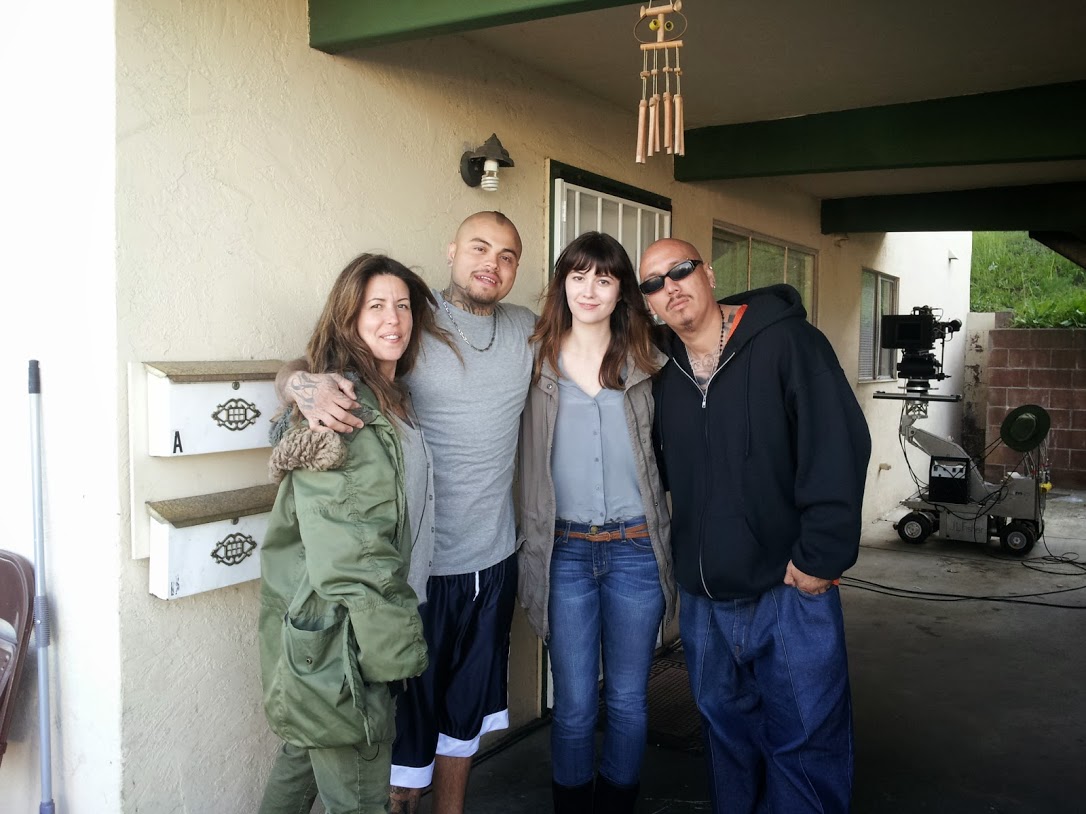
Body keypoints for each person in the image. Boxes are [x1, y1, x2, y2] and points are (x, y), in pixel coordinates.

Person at [275, 212, 536, 814]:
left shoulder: (527, 328)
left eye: (506, 255)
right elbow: (312, 365)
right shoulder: (411, 325)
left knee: (461, 729)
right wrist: (297, 386)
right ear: (451, 251)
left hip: (493, 562)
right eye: (478, 247)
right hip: (416, 575)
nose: (490, 263)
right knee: (401, 745)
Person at [639, 239, 871, 814]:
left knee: (806, 742)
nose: (670, 287)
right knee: (728, 740)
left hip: (787, 590)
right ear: (646, 303)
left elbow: (837, 447)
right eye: (652, 283)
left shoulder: (788, 343)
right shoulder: (662, 373)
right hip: (705, 603)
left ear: (709, 273)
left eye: (681, 270)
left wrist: (821, 559)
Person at [258, 253, 440, 814]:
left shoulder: (391, 396)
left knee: (300, 761)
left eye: (403, 306)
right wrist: (395, 652)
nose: (394, 320)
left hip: (334, 637)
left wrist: (294, 379)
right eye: (376, 307)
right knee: (360, 793)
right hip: (346, 638)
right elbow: (351, 552)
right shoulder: (344, 409)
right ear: (349, 320)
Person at [517, 232, 675, 814]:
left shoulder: (650, 359)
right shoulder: (534, 359)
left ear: (621, 291)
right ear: (562, 282)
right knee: (578, 703)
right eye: (578, 275)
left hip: (636, 545)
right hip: (565, 552)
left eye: (603, 278)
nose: (589, 289)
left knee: (630, 700)